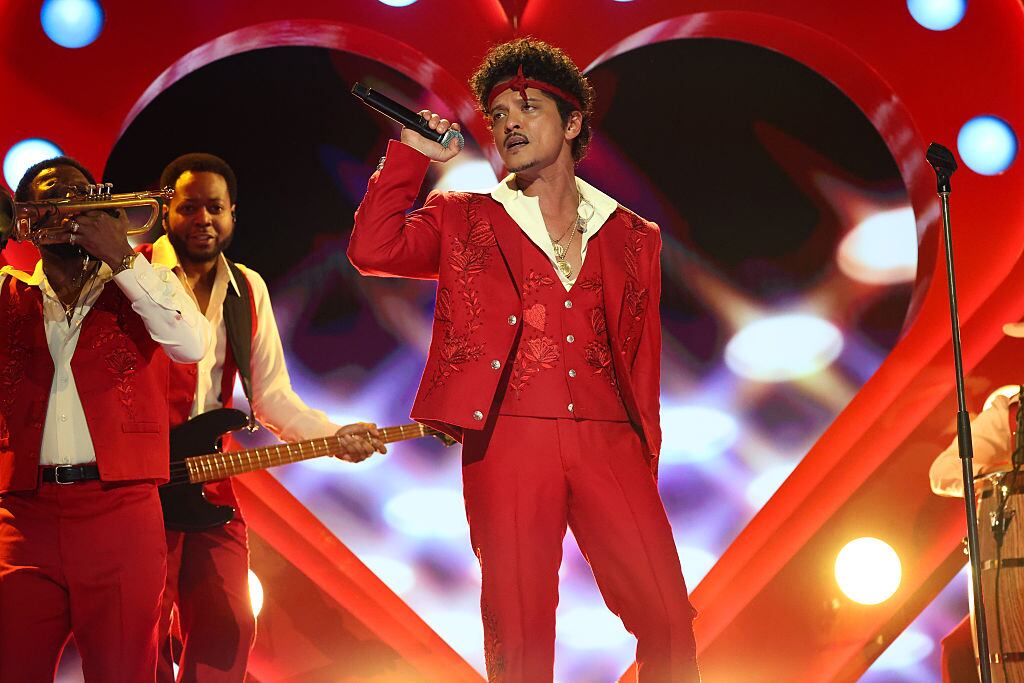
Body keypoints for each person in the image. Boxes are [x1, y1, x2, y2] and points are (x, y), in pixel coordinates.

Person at [348, 38, 700, 682]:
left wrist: (643, 455)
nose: (509, 121)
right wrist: (411, 154)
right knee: (519, 628)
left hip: (610, 440)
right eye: (499, 111)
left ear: (570, 124)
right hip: (507, 438)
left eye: (527, 107)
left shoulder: (632, 236)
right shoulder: (465, 218)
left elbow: (642, 358)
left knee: (669, 617)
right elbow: (374, 247)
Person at [147, 152, 385, 682]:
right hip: (136, 480)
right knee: (143, 632)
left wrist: (332, 435)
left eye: (215, 207)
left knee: (230, 623)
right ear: (165, 212)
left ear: (233, 214)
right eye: (189, 207)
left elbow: (273, 398)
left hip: (208, 479)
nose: (203, 219)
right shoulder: (134, 273)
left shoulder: (247, 288)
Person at [0, 156, 211, 681]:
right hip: (22, 518)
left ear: (103, 208)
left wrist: (121, 257)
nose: (65, 209)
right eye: (50, 200)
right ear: (27, 218)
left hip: (122, 515)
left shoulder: (146, 278)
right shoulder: (8, 291)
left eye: (78, 197)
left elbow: (192, 344)